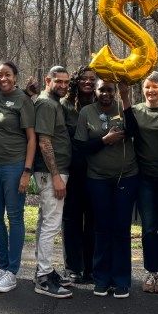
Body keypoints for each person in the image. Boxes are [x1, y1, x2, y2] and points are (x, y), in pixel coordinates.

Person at [75, 79, 139, 298]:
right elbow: (81, 148)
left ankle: (121, 280)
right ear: (96, 90)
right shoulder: (86, 112)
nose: (106, 93)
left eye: (110, 90)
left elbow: (134, 132)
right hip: (98, 179)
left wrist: (126, 98)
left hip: (126, 177)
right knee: (101, 228)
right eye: (102, 89)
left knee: (121, 229)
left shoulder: (124, 108)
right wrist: (105, 140)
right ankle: (101, 278)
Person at [0, 60, 36, 293]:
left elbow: (32, 139)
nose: (3, 79)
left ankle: (12, 271)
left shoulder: (23, 101)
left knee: (14, 217)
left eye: (8, 75)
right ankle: (2, 266)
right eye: (0, 75)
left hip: (14, 166)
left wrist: (26, 171)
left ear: (15, 76)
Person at [32, 65, 74, 298]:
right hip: (51, 173)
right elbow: (44, 142)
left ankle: (43, 269)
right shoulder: (47, 104)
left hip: (55, 171)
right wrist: (57, 176)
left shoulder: (53, 102)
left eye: (66, 82)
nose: (63, 86)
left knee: (45, 220)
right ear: (48, 80)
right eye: (59, 81)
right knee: (51, 223)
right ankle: (44, 278)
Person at [132, 72, 158, 294]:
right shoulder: (137, 111)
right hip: (144, 178)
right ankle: (150, 270)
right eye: (147, 87)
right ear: (143, 89)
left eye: (155, 87)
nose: (151, 91)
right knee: (148, 228)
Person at [60, 65, 97, 285]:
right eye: (84, 78)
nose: (88, 82)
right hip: (71, 169)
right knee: (71, 219)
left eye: (92, 79)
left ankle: (91, 267)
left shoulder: (99, 103)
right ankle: (73, 267)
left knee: (92, 220)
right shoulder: (66, 105)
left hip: (94, 171)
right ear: (76, 80)